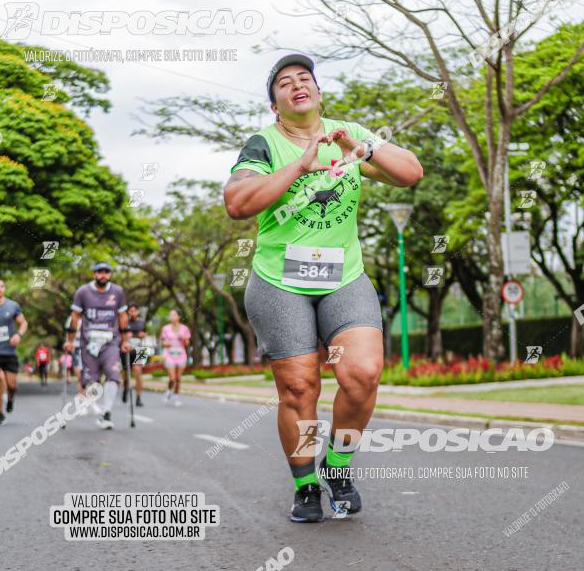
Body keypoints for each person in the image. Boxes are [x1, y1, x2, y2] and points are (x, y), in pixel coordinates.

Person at [224, 53, 423, 522]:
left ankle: (337, 466)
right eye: (284, 83)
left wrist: (361, 148)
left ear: (318, 91)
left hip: (343, 276)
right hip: (280, 281)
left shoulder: (346, 132)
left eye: (305, 78)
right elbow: (237, 203)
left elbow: (411, 173)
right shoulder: (264, 143)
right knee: (300, 387)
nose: (297, 85)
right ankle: (306, 482)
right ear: (275, 105)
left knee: (364, 372)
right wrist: (301, 166)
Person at [65, 262, 131, 429]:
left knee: (113, 374)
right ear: (94, 274)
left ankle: (106, 413)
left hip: (111, 342)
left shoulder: (117, 292)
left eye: (106, 272)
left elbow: (123, 317)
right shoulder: (83, 292)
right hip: (89, 343)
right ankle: (94, 403)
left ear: (110, 274)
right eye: (100, 272)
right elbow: (75, 317)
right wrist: (70, 341)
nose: (103, 275)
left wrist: (125, 341)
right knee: (91, 382)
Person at [0, 279, 28, 425]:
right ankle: (0, 413)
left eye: (2, 286)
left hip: (9, 352)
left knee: (12, 385)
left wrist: (18, 335)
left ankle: (10, 399)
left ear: (4, 288)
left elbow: (23, 323)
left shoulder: (12, 306)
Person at [160, 309, 191, 406]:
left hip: (181, 354)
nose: (171, 317)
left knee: (178, 378)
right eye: (170, 315)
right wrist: (166, 343)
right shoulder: (165, 328)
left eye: (173, 315)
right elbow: (163, 343)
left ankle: (176, 396)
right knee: (172, 377)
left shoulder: (184, 328)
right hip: (170, 355)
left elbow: (187, 343)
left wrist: (183, 338)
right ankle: (169, 390)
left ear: (179, 317)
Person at [121, 303, 147, 407]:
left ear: (138, 311)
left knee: (138, 372)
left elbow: (144, 334)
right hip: (127, 349)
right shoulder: (124, 321)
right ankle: (125, 388)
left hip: (141, 349)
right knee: (126, 374)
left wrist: (142, 335)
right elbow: (121, 335)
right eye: (130, 311)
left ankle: (139, 397)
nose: (133, 312)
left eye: (134, 310)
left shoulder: (142, 322)